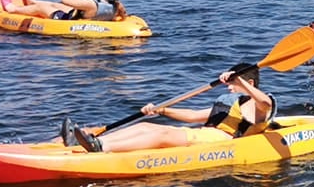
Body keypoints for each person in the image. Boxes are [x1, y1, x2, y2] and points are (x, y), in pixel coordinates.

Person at [68, 62, 285, 154]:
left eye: (232, 84)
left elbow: (265, 102)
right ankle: (100, 142)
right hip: (203, 135)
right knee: (147, 125)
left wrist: (241, 81)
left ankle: (102, 149)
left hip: (221, 142)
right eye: (229, 84)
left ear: (250, 84)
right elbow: (193, 116)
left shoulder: (258, 107)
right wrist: (162, 110)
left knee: (161, 134)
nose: (228, 87)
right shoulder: (231, 103)